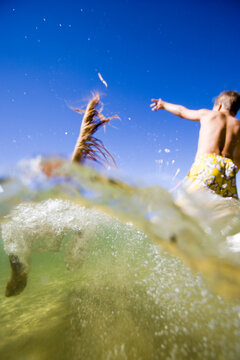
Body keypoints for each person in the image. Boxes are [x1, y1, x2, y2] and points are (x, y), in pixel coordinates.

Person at [151, 91, 240, 199]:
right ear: (235, 112)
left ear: (219, 106)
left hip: (207, 164)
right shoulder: (238, 126)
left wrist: (164, 104)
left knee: (186, 203)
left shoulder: (208, 114)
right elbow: (238, 159)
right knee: (224, 210)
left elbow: (182, 111)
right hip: (229, 171)